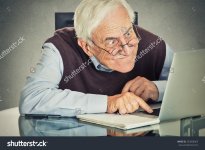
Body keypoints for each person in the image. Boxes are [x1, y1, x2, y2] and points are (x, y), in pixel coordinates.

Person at [19, 0, 173, 116]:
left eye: (128, 33)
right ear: (87, 46)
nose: (126, 48)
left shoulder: (153, 44)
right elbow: (32, 98)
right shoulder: (59, 47)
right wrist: (107, 103)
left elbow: (194, 88)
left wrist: (158, 89)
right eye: (112, 41)